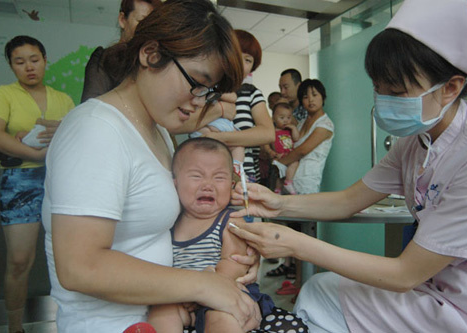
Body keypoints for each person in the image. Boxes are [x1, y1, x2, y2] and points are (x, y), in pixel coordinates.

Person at [228, 0, 467, 332]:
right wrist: (279, 204)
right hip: (431, 291)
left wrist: (295, 243)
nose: (382, 102)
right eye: (377, 89)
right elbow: (347, 200)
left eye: (396, 91)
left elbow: (405, 274)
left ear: (451, 88)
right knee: (318, 291)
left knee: (319, 295)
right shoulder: (414, 142)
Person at [41, 1, 262, 332]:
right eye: (196, 83)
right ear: (150, 54)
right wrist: (204, 285)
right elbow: (80, 266)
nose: (200, 102)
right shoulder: (96, 130)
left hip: (164, 314)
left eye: (209, 92)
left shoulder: (157, 130)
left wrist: (233, 258)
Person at [147, 137, 307, 333]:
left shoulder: (230, 220)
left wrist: (205, 290)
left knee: (220, 316)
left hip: (227, 293)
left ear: (232, 185)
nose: (208, 185)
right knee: (162, 311)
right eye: (196, 176)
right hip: (183, 296)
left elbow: (234, 265)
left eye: (219, 177)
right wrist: (186, 293)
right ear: (175, 183)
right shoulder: (169, 221)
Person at [0, 35, 74, 333]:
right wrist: (34, 153)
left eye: (34, 59)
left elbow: (73, 138)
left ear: (44, 60)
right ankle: (15, 326)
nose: (29, 67)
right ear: (11, 66)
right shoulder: (4, 94)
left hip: (60, 178)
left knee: (68, 254)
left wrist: (50, 151)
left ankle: (69, 320)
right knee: (19, 260)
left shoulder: (64, 99)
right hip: (19, 181)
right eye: (20, 62)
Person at [264, 79, 334, 292]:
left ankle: (304, 286)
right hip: (292, 182)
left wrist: (279, 162)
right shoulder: (303, 122)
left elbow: (302, 150)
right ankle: (298, 282)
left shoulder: (325, 125)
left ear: (323, 96)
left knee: (305, 237)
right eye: (305, 96)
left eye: (314, 94)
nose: (310, 99)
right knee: (294, 233)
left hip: (307, 185)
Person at [203, 29, 274, 183]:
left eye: (248, 60)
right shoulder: (204, 88)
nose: (240, 64)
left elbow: (267, 133)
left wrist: (218, 138)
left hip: (243, 178)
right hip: (205, 174)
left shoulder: (251, 94)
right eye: (236, 55)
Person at [80, 0, 161, 102]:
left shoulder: (154, 65)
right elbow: (91, 107)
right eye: (141, 22)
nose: (147, 29)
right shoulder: (102, 59)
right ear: (122, 20)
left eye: (152, 25)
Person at [263, 102, 300, 195]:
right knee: (279, 175)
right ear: (274, 119)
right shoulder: (272, 131)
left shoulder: (289, 130)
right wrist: (270, 152)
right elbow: (266, 144)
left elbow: (296, 138)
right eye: (282, 118)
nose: (285, 121)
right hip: (278, 156)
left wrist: (294, 128)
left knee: (294, 163)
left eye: (288, 118)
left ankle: (288, 181)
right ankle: (278, 189)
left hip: (289, 155)